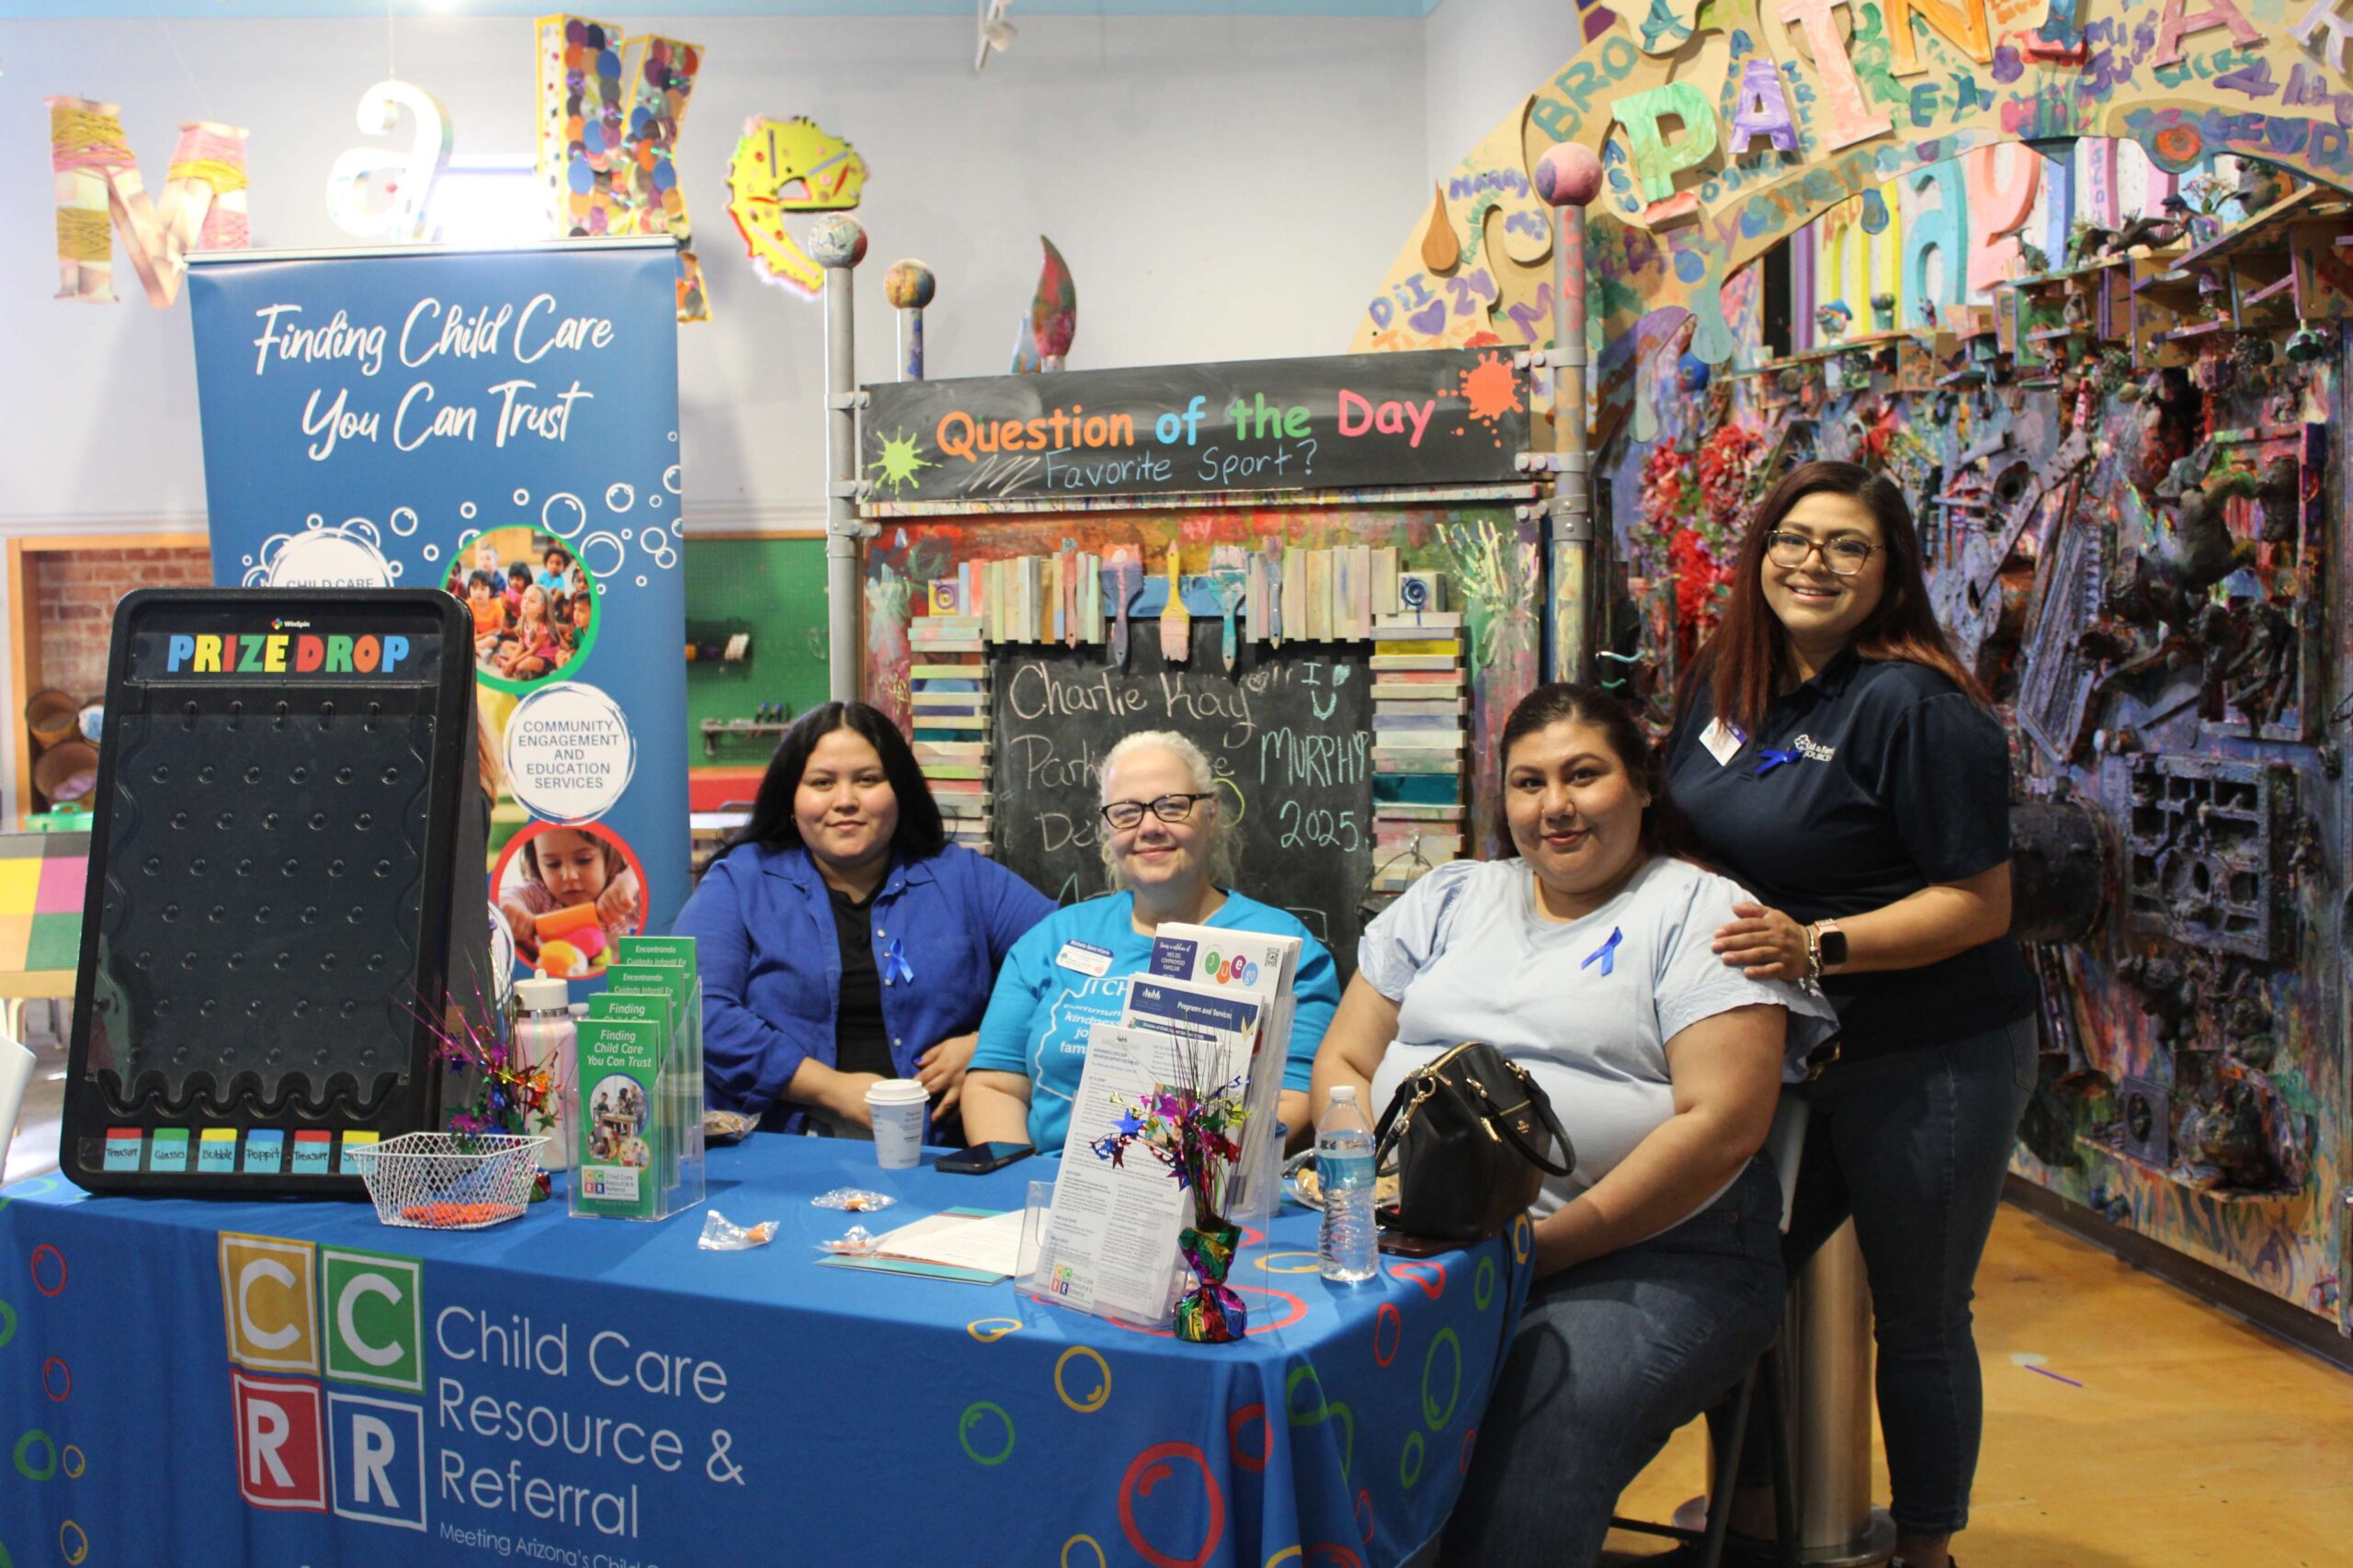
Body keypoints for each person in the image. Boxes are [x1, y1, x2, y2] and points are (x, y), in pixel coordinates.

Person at [1310, 684, 1834, 1564]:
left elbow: (1721, 1127)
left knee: (1543, 1416)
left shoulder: (1701, 914)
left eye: (1583, 775)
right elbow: (1347, 1067)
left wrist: (1531, 1253)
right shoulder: (1449, 899)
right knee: (1301, 1381)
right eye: (1528, 783)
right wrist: (1370, 1200)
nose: (1554, 806)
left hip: (1657, 1256)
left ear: (1640, 786)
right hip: (1417, 1245)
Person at [1665, 461, 2034, 1568]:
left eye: (1846, 546)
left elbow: (1980, 903)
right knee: (1733, 1284)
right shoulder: (1725, 680)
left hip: (1929, 1047)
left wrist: (1815, 944)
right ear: (1758, 551)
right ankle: (1756, 1524)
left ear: (1890, 572)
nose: (1811, 563)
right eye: (1792, 536)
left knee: (1918, 1315)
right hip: (1774, 1045)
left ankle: (1926, 1553)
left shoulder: (1918, 707)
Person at [674, 701, 1056, 1137]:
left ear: (900, 792)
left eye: (868, 780)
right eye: (822, 783)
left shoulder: (963, 878)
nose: (846, 801)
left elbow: (1071, 967)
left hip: (942, 1154)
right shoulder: (740, 882)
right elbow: (698, 1011)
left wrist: (987, 1045)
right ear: (791, 799)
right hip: (778, 1151)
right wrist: (832, 1091)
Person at [964, 731, 1341, 1155]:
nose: (1149, 827)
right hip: (1048, 1189)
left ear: (1211, 813)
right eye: (1126, 812)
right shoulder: (1053, 938)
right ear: (1107, 828)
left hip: (1204, 1195)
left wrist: (1172, 1175)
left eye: (1172, 806)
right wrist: (1019, 1184)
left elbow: (1292, 1101)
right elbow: (995, 1084)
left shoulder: (1286, 947)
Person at [501, 825, 642, 972]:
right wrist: (512, 908)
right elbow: (507, 897)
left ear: (607, 858)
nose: (568, 875)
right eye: (553, 864)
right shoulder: (541, 895)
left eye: (583, 860)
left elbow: (655, 877)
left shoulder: (621, 897)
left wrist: (630, 879)